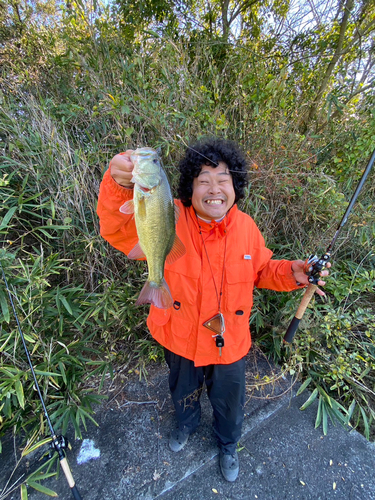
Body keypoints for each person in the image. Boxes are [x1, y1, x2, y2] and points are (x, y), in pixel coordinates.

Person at [96, 137, 330, 482]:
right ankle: (186, 425)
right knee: (182, 391)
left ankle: (228, 443)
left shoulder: (247, 228)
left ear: (236, 186)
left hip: (230, 342)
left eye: (223, 179)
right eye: (203, 180)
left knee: (229, 403)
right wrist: (118, 183)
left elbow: (262, 270)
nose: (214, 188)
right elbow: (117, 229)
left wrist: (293, 273)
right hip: (180, 336)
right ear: (188, 188)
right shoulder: (168, 213)